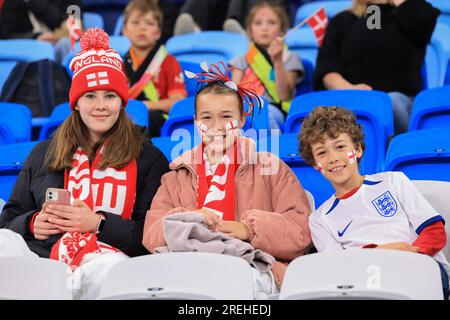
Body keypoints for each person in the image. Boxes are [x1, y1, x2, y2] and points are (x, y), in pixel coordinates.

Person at [0, 28, 170, 299]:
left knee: (111, 270)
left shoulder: (149, 158)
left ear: (122, 102)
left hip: (107, 259)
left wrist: (98, 224)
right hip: (43, 258)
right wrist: (32, 223)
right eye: (90, 96)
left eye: (110, 96)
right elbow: (8, 219)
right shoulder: (44, 152)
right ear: (76, 103)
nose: (101, 106)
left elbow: (153, 237)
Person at [142, 61, 312, 298]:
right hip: (189, 268)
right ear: (195, 121)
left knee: (230, 284)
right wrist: (190, 219)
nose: (216, 126)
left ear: (242, 119)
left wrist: (248, 229)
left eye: (226, 116)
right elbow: (150, 236)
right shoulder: (175, 177)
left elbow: (300, 232)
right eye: (207, 117)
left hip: (253, 267)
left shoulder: (271, 168)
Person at [298, 105, 450, 299]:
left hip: (420, 267)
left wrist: (410, 258)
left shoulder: (393, 181)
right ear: (315, 165)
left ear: (358, 149)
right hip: (366, 282)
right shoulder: (319, 219)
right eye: (322, 153)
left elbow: (434, 232)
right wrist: (383, 252)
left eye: (340, 147)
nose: (333, 158)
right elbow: (337, 267)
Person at [313, 0, 440, 135]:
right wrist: (351, 90)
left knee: (392, 102)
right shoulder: (343, 21)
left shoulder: (413, 12)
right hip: (353, 99)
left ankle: (402, 148)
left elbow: (424, 19)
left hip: (400, 102)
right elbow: (327, 69)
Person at [229, 0, 304, 130]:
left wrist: (278, 61)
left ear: (282, 30)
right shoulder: (240, 61)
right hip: (245, 109)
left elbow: (284, 95)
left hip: (273, 110)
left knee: (266, 117)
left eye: (272, 22)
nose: (265, 28)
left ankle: (273, 147)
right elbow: (232, 94)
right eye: (258, 23)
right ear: (250, 30)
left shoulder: (291, 58)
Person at [122, 0, 188, 137]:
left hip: (156, 120)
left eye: (149, 23)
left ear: (158, 32)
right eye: (135, 22)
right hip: (126, 116)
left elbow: (177, 102)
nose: (142, 28)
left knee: (145, 118)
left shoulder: (169, 62)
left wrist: (145, 106)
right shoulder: (119, 65)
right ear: (124, 31)